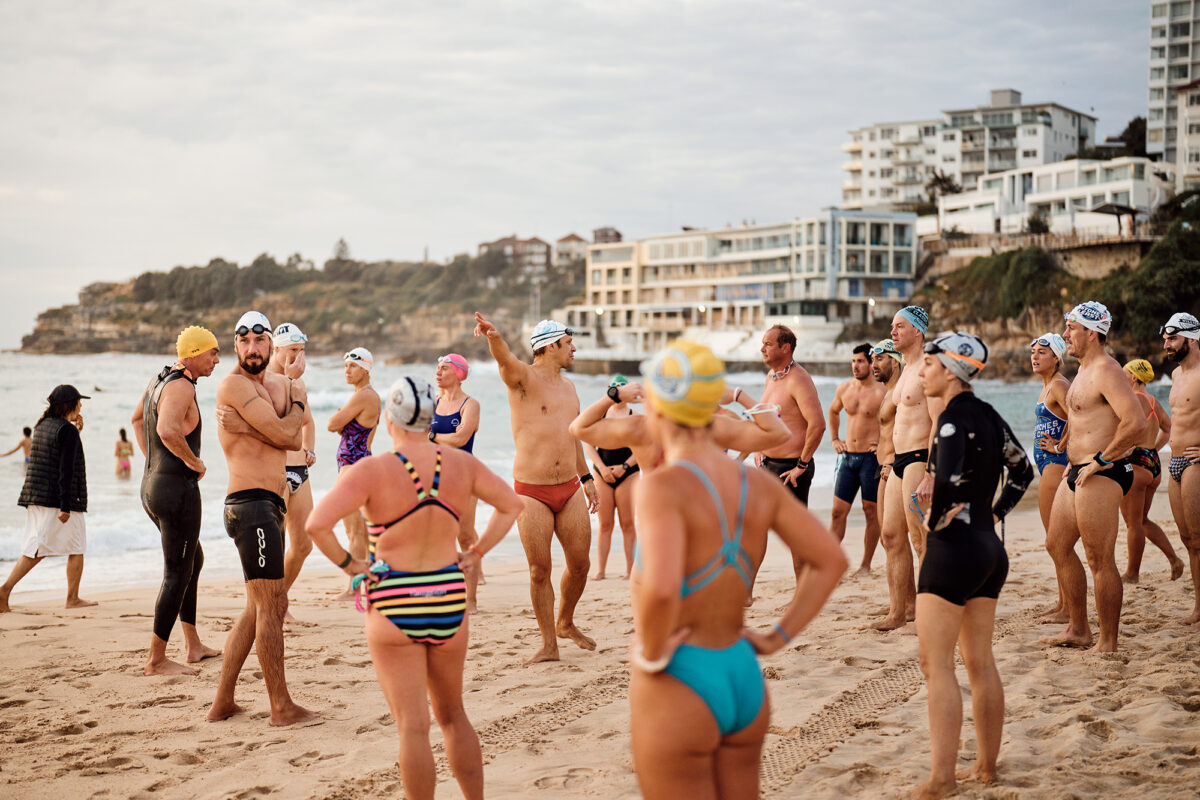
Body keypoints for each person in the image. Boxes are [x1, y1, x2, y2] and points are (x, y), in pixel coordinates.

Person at [628, 340, 847, 800]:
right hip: (741, 673)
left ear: (659, 407)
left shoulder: (663, 486)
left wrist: (649, 653)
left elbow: (664, 588)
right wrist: (775, 637)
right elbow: (831, 560)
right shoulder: (753, 482)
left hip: (683, 678)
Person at [306, 376, 523, 800]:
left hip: (393, 599)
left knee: (413, 725)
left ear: (390, 419)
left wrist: (355, 566)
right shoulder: (460, 464)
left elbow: (317, 525)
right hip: (447, 595)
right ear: (430, 420)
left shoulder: (372, 470)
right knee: (453, 715)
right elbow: (512, 504)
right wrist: (477, 552)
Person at [911, 332, 1032, 800]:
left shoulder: (948, 421)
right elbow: (1022, 470)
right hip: (988, 548)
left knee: (936, 665)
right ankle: (985, 767)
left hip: (953, 551)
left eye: (928, 363)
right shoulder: (990, 415)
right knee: (980, 661)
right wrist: (995, 514)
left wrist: (935, 519)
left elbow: (949, 481)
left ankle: (942, 778)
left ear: (950, 369)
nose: (922, 371)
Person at [207, 311, 315, 726]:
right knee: (272, 606)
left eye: (260, 340)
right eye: (244, 341)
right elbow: (290, 435)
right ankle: (281, 707)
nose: (252, 348)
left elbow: (289, 429)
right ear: (235, 346)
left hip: (268, 504)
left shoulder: (275, 384)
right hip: (250, 505)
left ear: (271, 345)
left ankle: (223, 702)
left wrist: (294, 387)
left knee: (256, 609)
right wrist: (297, 402)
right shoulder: (233, 384)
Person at [473, 313, 598, 664]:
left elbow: (573, 438)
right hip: (531, 491)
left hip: (570, 487)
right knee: (538, 570)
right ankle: (548, 644)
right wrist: (494, 337)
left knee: (580, 564)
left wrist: (587, 479)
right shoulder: (523, 379)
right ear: (551, 346)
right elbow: (505, 360)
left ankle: (566, 622)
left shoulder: (571, 388)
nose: (574, 349)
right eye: (569, 343)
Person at [1043, 302, 1145, 652]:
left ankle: (1108, 641)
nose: (1066, 334)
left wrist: (1101, 458)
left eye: (1072, 328)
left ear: (1092, 332)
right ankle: (1078, 628)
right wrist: (1066, 450)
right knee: (1056, 546)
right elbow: (1081, 418)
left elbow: (1135, 422)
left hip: (1103, 471)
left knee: (1099, 558)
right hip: (1077, 470)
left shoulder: (1107, 370)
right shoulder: (1084, 370)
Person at [131, 325, 223, 675]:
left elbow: (138, 419)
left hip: (151, 487)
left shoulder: (159, 379)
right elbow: (167, 429)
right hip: (176, 492)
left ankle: (193, 645)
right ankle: (156, 659)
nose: (216, 359)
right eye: (212, 352)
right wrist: (193, 461)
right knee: (177, 572)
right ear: (195, 353)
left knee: (192, 560)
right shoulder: (182, 385)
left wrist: (153, 464)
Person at [872, 305, 943, 631]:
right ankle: (899, 612)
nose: (893, 331)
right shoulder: (905, 371)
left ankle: (931, 612)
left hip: (918, 458)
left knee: (921, 541)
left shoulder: (929, 367)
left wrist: (931, 471)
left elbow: (941, 421)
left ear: (918, 331)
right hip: (898, 461)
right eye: (892, 326)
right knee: (890, 536)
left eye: (900, 326)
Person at [0, 386, 95, 613]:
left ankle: (7, 591)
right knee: (69, 546)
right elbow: (65, 470)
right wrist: (65, 505)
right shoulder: (66, 431)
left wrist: (76, 431)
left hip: (37, 495)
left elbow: (55, 454)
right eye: (79, 402)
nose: (81, 406)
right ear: (69, 405)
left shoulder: (42, 426)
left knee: (42, 546)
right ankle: (6, 590)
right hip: (58, 499)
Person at [267, 323, 318, 624]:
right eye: (293, 351)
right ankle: (272, 608)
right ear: (276, 349)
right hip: (276, 470)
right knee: (277, 545)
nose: (299, 357)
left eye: (302, 351)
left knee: (303, 544)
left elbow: (307, 421)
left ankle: (279, 600)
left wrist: (309, 449)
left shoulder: (297, 380)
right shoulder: (264, 381)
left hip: (300, 468)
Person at [1120, 358, 1183, 583]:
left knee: (1133, 524)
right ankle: (1174, 559)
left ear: (1134, 378)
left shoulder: (1133, 400)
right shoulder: (1154, 402)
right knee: (1143, 520)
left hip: (1136, 465)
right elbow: (1168, 429)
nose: (1119, 376)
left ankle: (1132, 574)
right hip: (1152, 464)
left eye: (1123, 373)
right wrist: (1151, 450)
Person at [430, 353, 484, 611]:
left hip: (464, 476)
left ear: (459, 374)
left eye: (444, 369)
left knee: (464, 537)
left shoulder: (470, 404)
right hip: (436, 476)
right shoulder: (435, 402)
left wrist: (431, 436)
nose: (438, 373)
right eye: (437, 369)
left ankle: (471, 598)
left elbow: (462, 438)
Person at [327, 346, 380, 601]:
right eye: (345, 366)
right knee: (365, 532)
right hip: (360, 465)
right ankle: (369, 582)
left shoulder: (364, 396)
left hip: (354, 467)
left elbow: (332, 424)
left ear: (366, 368)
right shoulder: (365, 396)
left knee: (355, 532)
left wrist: (340, 416)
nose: (347, 371)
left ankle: (354, 587)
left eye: (353, 366)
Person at [828, 343, 885, 576]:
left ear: (871, 363)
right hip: (848, 459)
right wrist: (834, 439)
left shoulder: (883, 391)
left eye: (860, 361)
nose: (855, 365)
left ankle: (865, 565)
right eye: (853, 361)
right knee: (837, 512)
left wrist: (883, 444)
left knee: (871, 512)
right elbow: (833, 411)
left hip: (871, 460)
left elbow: (896, 419)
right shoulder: (845, 388)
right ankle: (830, 564)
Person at [756, 325, 825, 510]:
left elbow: (818, 425)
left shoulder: (798, 380)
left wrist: (801, 466)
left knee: (795, 534)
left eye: (768, 344)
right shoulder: (771, 376)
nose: (762, 349)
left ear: (785, 348)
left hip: (790, 469)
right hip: (767, 465)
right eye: (763, 344)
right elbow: (766, 415)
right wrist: (758, 447)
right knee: (759, 525)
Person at [1029, 333, 1071, 623]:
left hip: (1056, 463)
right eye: (1033, 352)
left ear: (1056, 357)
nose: (1035, 356)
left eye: (1042, 352)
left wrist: (1060, 446)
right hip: (1046, 463)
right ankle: (1062, 603)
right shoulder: (1047, 386)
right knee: (1053, 540)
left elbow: (1079, 417)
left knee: (1057, 541)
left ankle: (1068, 608)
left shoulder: (1058, 385)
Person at [1162, 311, 1200, 624]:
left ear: (1192, 338)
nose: (1166, 344)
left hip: (1195, 464)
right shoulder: (1176, 376)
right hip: (1173, 460)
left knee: (1199, 538)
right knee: (1188, 540)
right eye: (1165, 339)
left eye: (1172, 338)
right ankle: (1199, 607)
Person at [584, 375, 641, 580]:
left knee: (627, 524)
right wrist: (601, 467)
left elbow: (642, 447)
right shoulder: (601, 415)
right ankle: (601, 570)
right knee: (605, 524)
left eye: (622, 388)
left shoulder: (634, 416)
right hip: (602, 471)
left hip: (628, 473)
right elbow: (588, 443)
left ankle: (630, 570)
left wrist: (625, 466)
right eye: (615, 388)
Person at [871, 340, 903, 541]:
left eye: (880, 359)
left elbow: (910, 431)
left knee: (892, 538)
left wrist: (895, 464)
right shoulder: (889, 393)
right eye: (873, 359)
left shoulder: (900, 395)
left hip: (893, 468)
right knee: (888, 539)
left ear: (895, 362)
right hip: (883, 466)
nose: (873, 364)